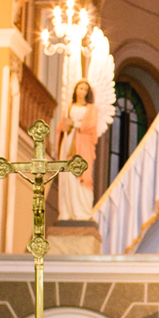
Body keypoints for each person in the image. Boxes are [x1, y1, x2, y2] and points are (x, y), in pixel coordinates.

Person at [56, 79, 98, 220]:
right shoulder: (70, 107)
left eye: (85, 89)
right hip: (69, 144)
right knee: (68, 176)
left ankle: (83, 212)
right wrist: (64, 126)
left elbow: (91, 125)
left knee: (82, 174)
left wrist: (74, 123)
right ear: (76, 90)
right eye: (80, 88)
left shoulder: (91, 109)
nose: (82, 91)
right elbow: (62, 126)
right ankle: (67, 211)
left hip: (83, 145)